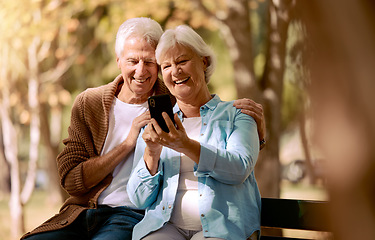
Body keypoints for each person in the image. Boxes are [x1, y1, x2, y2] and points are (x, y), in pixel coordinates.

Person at [21, 17, 265, 240]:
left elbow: (217, 129)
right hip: (84, 211)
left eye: (150, 62)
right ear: (118, 61)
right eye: (132, 61)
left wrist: (258, 133)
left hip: (133, 215)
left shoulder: (171, 104)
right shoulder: (90, 103)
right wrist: (130, 144)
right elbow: (71, 181)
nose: (141, 70)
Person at [127, 25, 260, 240]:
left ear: (204, 61)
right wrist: (151, 153)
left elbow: (239, 169)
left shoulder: (238, 114)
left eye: (181, 61)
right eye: (167, 66)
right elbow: (139, 199)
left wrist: (185, 145)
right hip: (166, 226)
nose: (175, 71)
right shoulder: (156, 125)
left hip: (222, 229)